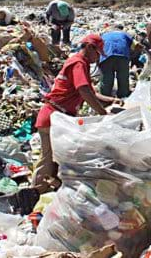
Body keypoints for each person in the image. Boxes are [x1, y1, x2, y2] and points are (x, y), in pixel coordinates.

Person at [32, 34, 122, 193]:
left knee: (61, 157)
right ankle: (36, 194)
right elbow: (84, 90)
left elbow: (90, 92)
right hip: (53, 117)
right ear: (89, 47)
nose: (97, 58)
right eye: (97, 53)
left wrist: (111, 100)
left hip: (59, 118)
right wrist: (102, 113)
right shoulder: (78, 63)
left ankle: (54, 189)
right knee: (48, 159)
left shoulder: (80, 63)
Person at [99, 27, 135, 98]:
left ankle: (105, 97)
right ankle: (123, 96)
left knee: (107, 78)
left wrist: (99, 63)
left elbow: (98, 48)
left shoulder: (104, 35)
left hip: (106, 56)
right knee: (123, 77)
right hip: (123, 56)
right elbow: (134, 46)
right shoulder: (125, 34)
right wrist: (131, 56)